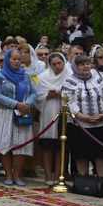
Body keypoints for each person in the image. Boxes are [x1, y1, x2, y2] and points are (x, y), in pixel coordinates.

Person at [0, 48, 37, 186]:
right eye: (13, 59)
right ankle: (8, 175)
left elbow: (34, 93)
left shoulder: (25, 75)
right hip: (4, 114)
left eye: (18, 59)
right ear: (7, 60)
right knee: (6, 144)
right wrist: (16, 104)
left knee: (20, 144)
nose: (17, 61)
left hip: (22, 113)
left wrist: (26, 104)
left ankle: (17, 175)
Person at [62, 53, 103, 181]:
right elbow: (68, 101)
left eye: (88, 63)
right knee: (81, 153)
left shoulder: (97, 79)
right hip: (80, 125)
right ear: (76, 67)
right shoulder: (70, 82)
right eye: (82, 64)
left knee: (101, 154)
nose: (86, 66)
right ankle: (83, 182)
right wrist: (81, 116)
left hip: (101, 124)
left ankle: (102, 182)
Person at [35, 52, 68, 185]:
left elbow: (75, 93)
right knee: (48, 145)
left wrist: (62, 94)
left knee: (62, 145)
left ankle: (60, 175)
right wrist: (48, 96)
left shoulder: (70, 75)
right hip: (49, 114)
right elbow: (38, 97)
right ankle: (48, 175)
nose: (57, 66)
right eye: (53, 64)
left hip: (65, 114)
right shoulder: (44, 77)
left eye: (59, 63)